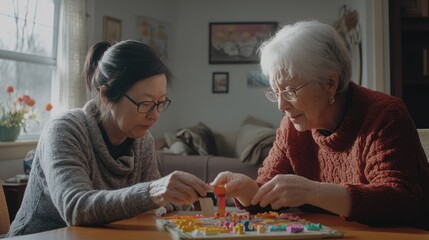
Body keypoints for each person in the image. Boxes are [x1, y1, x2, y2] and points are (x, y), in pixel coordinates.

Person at [212, 20, 429, 230]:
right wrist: (248, 190)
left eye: (290, 91)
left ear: (330, 84)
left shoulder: (384, 115)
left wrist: (313, 192)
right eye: (276, 92)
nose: (281, 105)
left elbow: (400, 202)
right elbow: (269, 198)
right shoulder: (292, 127)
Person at [8, 40, 210, 236]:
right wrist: (154, 193)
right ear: (106, 96)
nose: (155, 115)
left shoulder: (142, 140)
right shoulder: (65, 130)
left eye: (161, 102)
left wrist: (179, 193)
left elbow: (157, 200)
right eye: (145, 103)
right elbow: (76, 208)